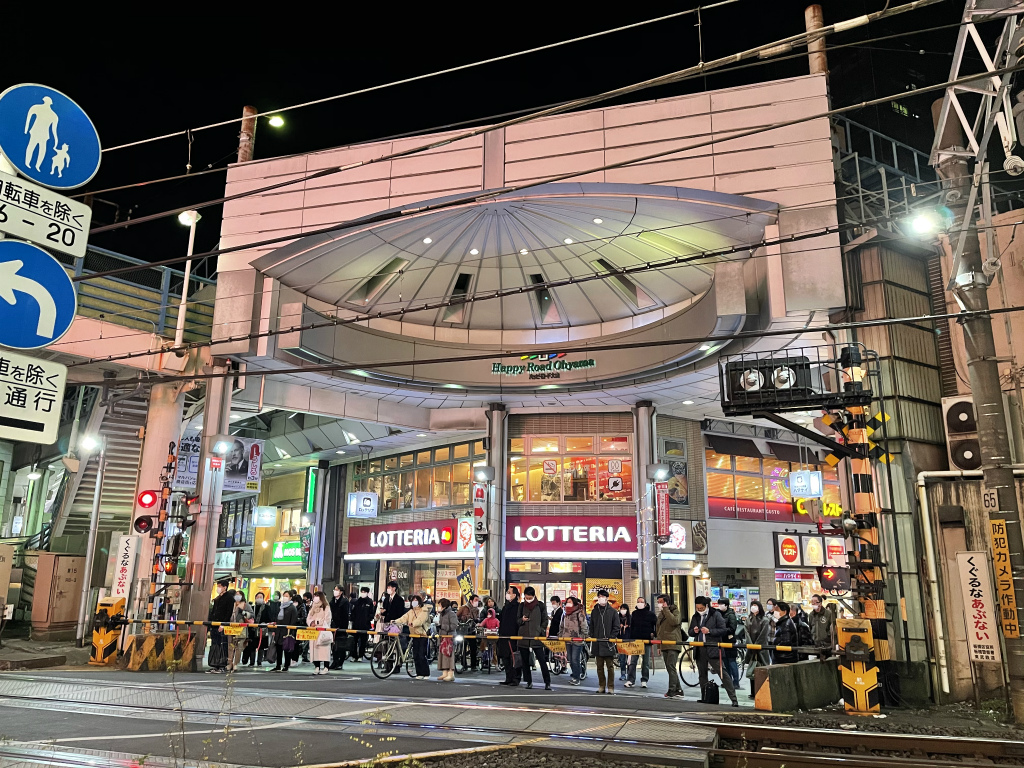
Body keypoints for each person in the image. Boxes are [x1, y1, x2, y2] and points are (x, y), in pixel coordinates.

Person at [689, 595, 739, 707]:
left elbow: (723, 630)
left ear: (706, 606)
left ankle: (733, 699)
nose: (699, 610)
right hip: (700, 648)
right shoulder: (696, 616)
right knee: (702, 674)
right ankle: (705, 697)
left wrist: (710, 631)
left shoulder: (715, 615)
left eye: (701, 608)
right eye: (698, 608)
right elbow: (690, 632)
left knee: (723, 673)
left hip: (713, 648)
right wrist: (694, 630)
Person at [516, 586, 551, 690]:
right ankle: (528, 681)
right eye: (526, 597)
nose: (528, 598)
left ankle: (547, 682)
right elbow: (517, 620)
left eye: (529, 597)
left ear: (533, 596)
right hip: (524, 636)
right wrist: (522, 619)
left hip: (537, 637)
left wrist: (540, 630)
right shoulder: (522, 606)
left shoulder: (540, 605)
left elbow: (545, 620)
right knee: (525, 661)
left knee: (541, 660)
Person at [590, 589, 620, 694]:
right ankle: (601, 686)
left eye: (603, 596)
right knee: (599, 667)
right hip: (597, 643)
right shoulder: (594, 611)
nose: (601, 598)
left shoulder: (613, 612)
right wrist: (592, 636)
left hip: (608, 643)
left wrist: (611, 637)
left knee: (610, 667)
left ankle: (610, 687)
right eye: (599, 596)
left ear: (607, 598)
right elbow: (591, 626)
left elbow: (616, 627)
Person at [397, 593, 432, 679]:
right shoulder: (411, 611)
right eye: (413, 600)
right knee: (416, 654)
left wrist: (413, 623)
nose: (414, 602)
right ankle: (419, 673)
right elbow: (403, 618)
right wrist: (395, 621)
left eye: (416, 600)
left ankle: (426, 673)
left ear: (420, 601)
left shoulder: (424, 610)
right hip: (414, 635)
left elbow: (420, 620)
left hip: (423, 635)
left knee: (421, 654)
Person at [656, 594, 683, 698]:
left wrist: (666, 609)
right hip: (664, 644)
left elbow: (674, 621)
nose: (659, 604)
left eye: (661, 602)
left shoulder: (675, 611)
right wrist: (659, 646)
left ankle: (672, 690)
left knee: (671, 667)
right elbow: (659, 630)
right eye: (658, 602)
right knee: (669, 668)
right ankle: (679, 690)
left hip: (673, 643)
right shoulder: (661, 614)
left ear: (666, 602)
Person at [558, 596, 588, 685]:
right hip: (567, 639)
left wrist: (583, 636)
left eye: (570, 602)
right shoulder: (565, 614)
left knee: (575, 659)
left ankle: (577, 677)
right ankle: (575, 674)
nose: (568, 603)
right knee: (570, 659)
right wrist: (560, 635)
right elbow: (561, 626)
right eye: (567, 602)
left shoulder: (579, 613)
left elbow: (584, 625)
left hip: (577, 640)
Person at [207, 580, 235, 674]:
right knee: (215, 644)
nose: (218, 588)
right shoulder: (218, 598)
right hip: (214, 624)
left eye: (219, 586)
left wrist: (223, 624)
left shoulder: (229, 598)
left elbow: (228, 613)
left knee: (222, 645)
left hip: (222, 625)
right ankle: (214, 664)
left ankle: (222, 665)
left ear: (225, 587)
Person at [626, 596, 655, 689]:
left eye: (641, 602)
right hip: (635, 641)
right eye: (638, 601)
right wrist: (630, 640)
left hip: (646, 641)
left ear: (645, 604)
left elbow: (656, 625)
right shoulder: (634, 614)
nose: (639, 603)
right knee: (633, 662)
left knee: (645, 662)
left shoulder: (651, 614)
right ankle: (631, 680)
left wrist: (653, 634)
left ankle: (644, 680)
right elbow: (631, 627)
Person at [743, 600, 770, 699]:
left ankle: (761, 691)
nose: (753, 607)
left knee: (761, 669)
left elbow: (763, 635)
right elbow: (746, 633)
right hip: (751, 649)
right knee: (752, 670)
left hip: (761, 649)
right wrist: (750, 645)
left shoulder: (765, 620)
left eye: (755, 605)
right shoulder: (748, 619)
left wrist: (756, 646)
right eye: (752, 605)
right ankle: (752, 692)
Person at [498, 586, 522, 686]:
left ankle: (516, 678)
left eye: (509, 592)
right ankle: (508, 678)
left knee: (514, 658)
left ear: (514, 595)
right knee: (506, 658)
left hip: (513, 636)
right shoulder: (505, 607)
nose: (507, 594)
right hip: (503, 636)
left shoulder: (518, 607)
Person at [715, 598, 741, 688]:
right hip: (722, 641)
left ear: (726, 605)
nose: (720, 606)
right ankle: (728, 682)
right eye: (719, 604)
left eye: (722, 604)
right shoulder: (718, 614)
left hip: (730, 641)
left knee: (731, 661)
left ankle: (736, 682)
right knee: (725, 662)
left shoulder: (731, 615)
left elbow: (732, 628)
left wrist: (722, 631)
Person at [306, 591, 333, 675]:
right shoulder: (313, 607)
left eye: (317, 596)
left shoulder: (326, 607)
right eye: (315, 596)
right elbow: (309, 617)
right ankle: (317, 666)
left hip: (323, 631)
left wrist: (316, 622)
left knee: (324, 650)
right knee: (315, 650)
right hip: (313, 631)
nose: (315, 598)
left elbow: (327, 620)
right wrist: (311, 622)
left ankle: (326, 667)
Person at [273, 590, 299, 672]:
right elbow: (276, 619)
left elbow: (294, 620)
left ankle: (286, 665)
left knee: (287, 649)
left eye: (287, 596)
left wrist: (290, 631)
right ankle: (278, 665)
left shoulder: (292, 608)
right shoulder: (280, 607)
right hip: (279, 631)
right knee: (278, 648)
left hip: (287, 631)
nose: (285, 597)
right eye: (284, 595)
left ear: (291, 597)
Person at [227, 593, 252, 673]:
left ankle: (236, 663)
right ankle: (229, 663)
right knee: (230, 646)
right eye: (236, 594)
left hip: (241, 628)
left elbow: (251, 615)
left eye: (239, 594)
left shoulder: (245, 605)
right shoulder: (231, 604)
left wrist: (243, 612)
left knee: (239, 647)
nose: (237, 596)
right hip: (230, 628)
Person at [245, 592, 270, 667]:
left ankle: (259, 661)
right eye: (258, 597)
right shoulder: (252, 607)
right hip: (253, 629)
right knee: (252, 646)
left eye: (261, 597)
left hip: (262, 630)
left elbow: (269, 618)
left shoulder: (267, 608)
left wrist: (264, 623)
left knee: (261, 646)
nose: (259, 598)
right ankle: (252, 661)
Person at [350, 586, 375, 661]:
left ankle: (361, 655)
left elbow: (372, 613)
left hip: (365, 625)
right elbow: (353, 612)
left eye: (364, 592)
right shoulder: (357, 601)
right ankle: (354, 655)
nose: (363, 593)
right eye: (362, 592)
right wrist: (352, 620)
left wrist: (368, 619)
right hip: (356, 624)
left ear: (367, 593)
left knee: (363, 642)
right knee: (354, 641)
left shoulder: (370, 602)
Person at [437, 598, 458, 682]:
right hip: (442, 637)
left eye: (440, 605)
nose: (438, 607)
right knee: (443, 655)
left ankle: (451, 674)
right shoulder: (442, 614)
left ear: (444, 606)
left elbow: (454, 625)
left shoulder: (451, 614)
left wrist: (442, 627)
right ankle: (444, 672)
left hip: (449, 637)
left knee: (449, 655)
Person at [329, 586, 350, 670]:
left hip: (341, 626)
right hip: (333, 625)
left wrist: (342, 626)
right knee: (334, 645)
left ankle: (340, 662)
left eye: (337, 590)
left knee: (341, 645)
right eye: (335, 589)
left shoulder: (344, 601)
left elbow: (345, 616)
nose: (335, 591)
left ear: (341, 592)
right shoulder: (332, 601)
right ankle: (334, 661)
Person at [616, 604, 631, 681]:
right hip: (620, 640)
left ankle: (629, 673)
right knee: (622, 659)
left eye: (624, 608)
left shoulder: (630, 618)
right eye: (621, 608)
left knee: (629, 659)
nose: (623, 610)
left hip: (629, 640)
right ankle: (623, 674)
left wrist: (628, 626)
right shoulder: (617, 618)